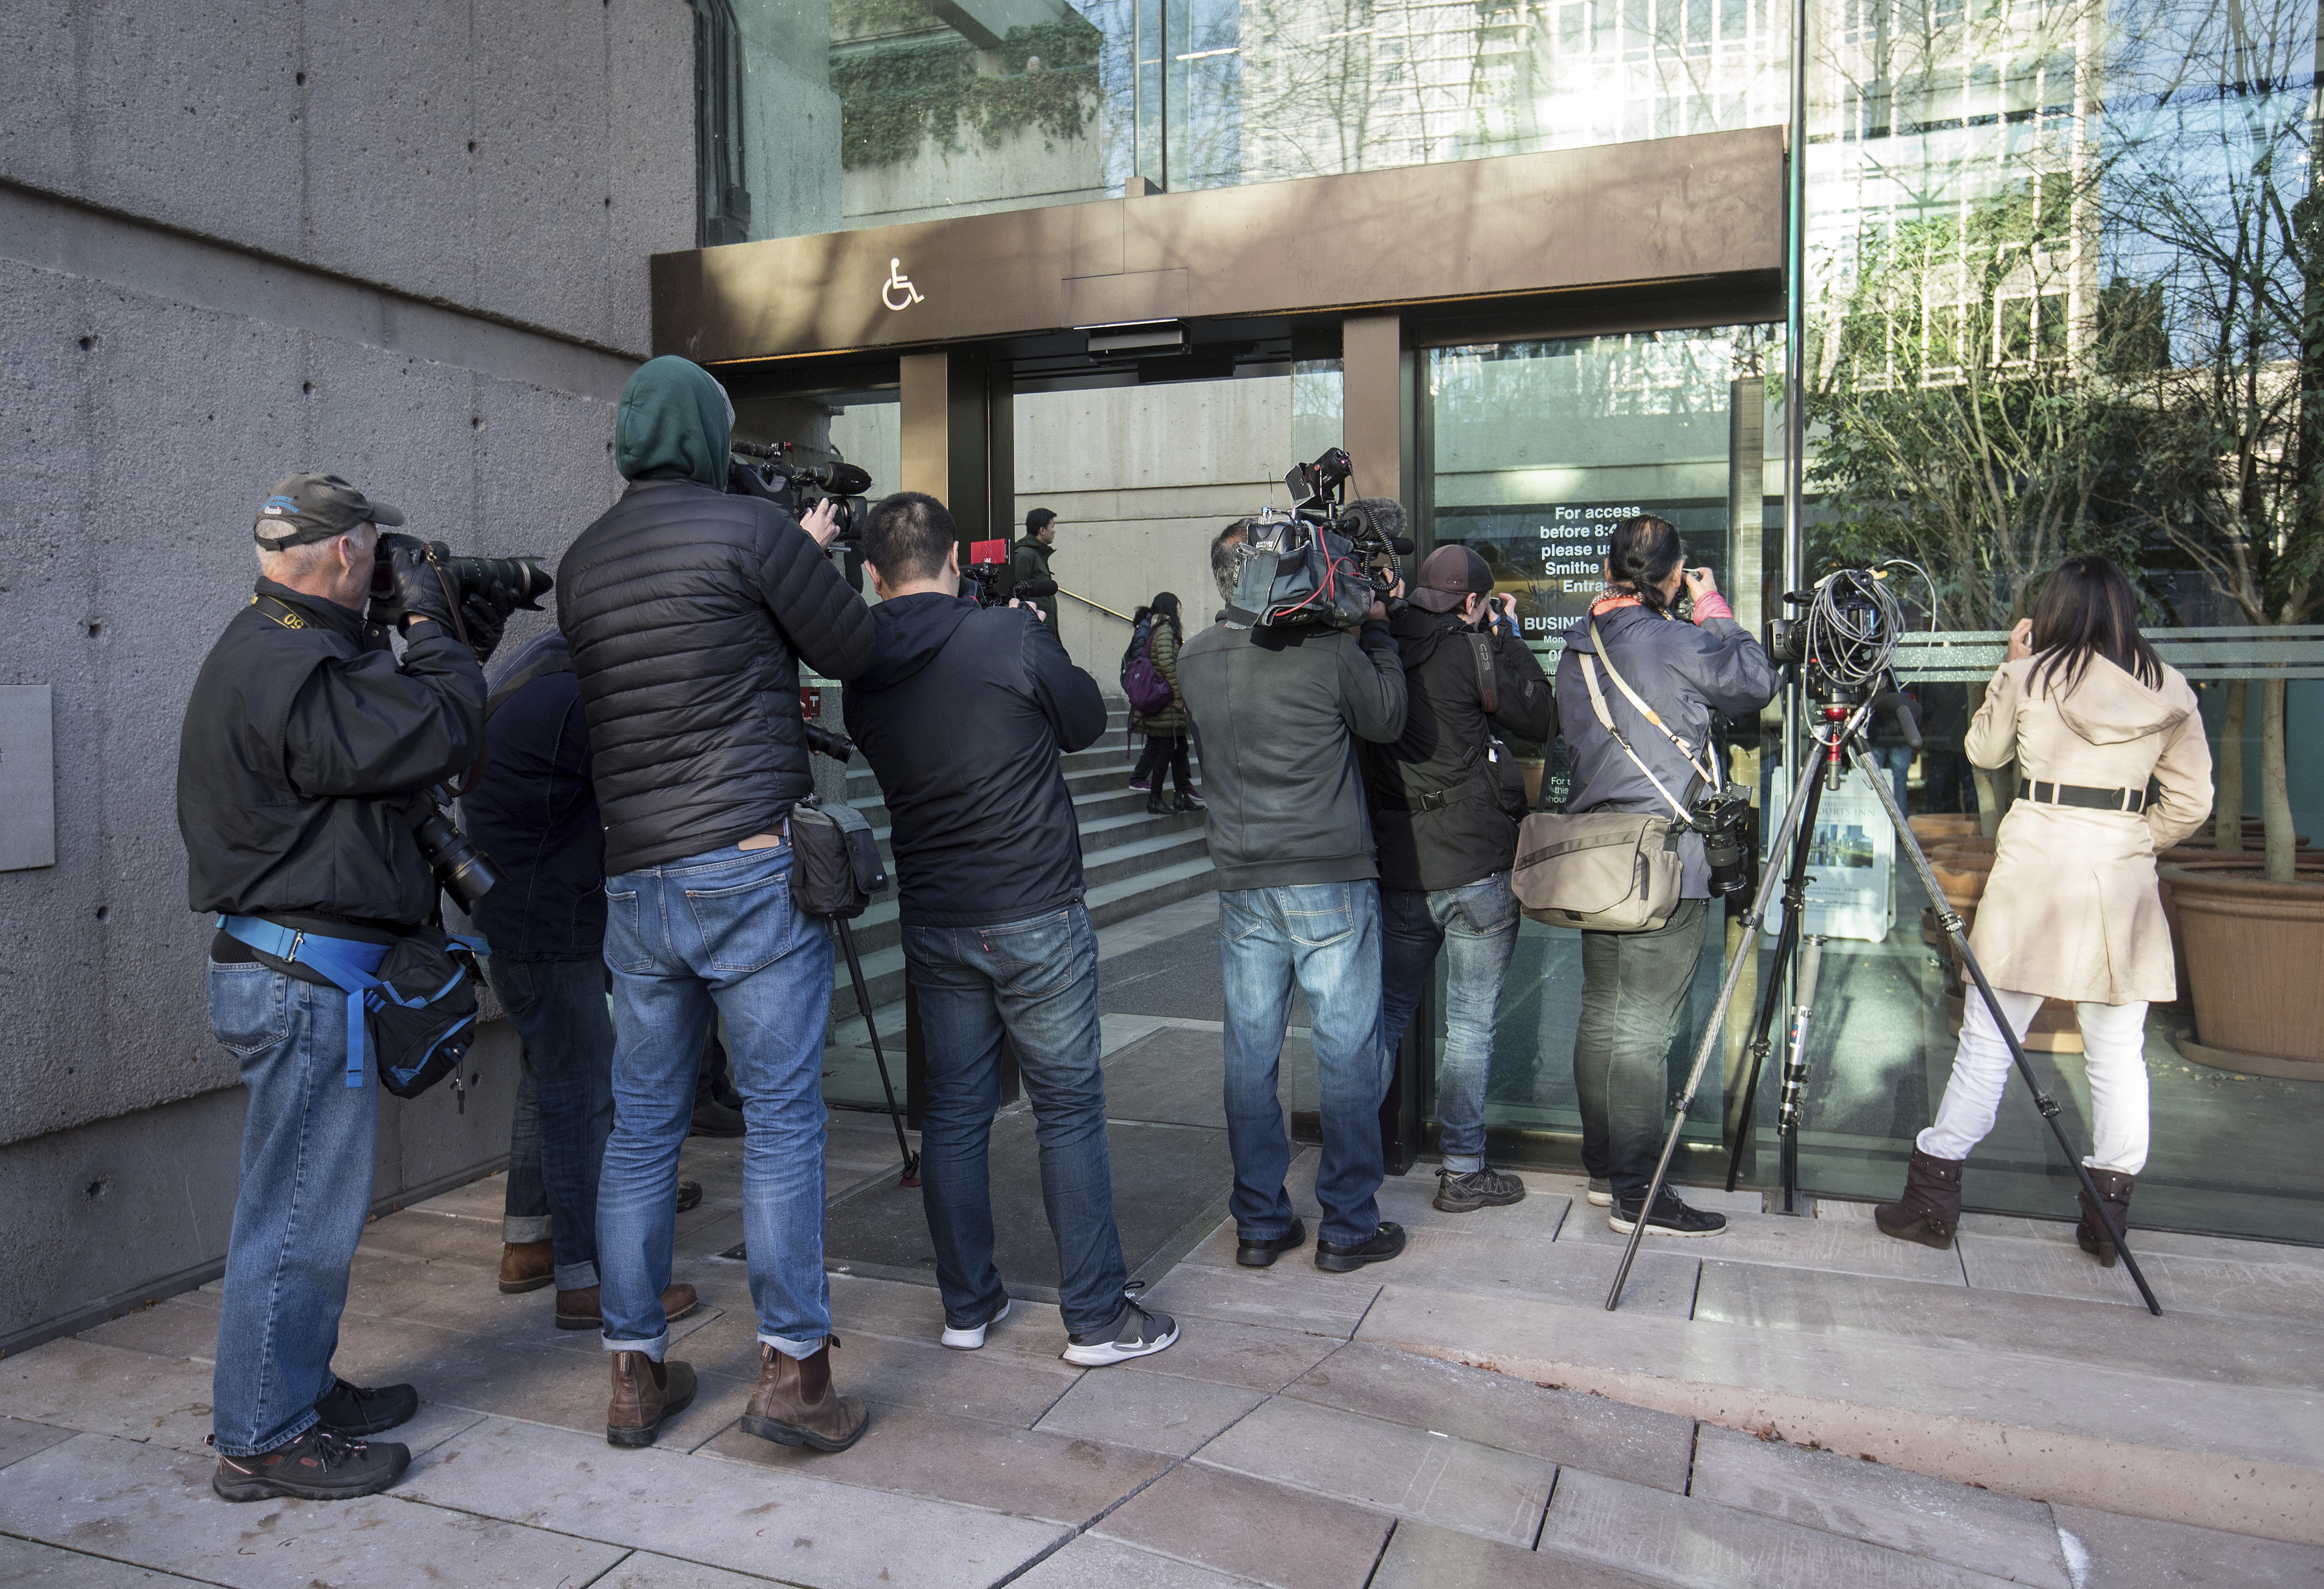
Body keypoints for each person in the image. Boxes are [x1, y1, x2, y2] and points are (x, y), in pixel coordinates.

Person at [557, 356, 878, 1453]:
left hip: (637, 882)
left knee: (641, 1130)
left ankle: (633, 1371)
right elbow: (853, 647)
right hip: (745, 866)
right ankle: (793, 1374)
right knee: (783, 1119)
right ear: (705, 436)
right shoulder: (750, 536)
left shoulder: (583, 561)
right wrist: (810, 555)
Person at [179, 472, 514, 1501]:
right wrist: (425, 616)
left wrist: (443, 630)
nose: (384, 571)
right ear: (348, 551)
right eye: (379, 555)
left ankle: (294, 1386)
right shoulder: (291, 662)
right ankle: (263, 1434)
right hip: (299, 980)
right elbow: (449, 725)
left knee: (302, 1206)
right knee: (296, 1215)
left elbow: (395, 738)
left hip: (293, 972)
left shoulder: (286, 649)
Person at [842, 492, 1179, 1367]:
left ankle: (967, 1307)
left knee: (953, 1112)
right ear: (955, 560)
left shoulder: (865, 665)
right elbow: (1088, 722)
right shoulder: (1008, 635)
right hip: (1033, 907)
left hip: (938, 913)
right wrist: (1036, 633)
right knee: (1067, 1107)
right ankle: (1098, 1320)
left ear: (875, 577)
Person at [1875, 555, 2211, 1258]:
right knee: (2118, 1054)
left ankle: (1933, 1197)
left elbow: (1983, 749)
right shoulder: (2169, 689)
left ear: (2054, 611)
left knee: (1988, 1041)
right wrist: (2132, 837)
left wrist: (2011, 663)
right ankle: (2107, 1219)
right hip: (2119, 873)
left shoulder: (2033, 676)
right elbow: (2193, 801)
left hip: (2036, 865)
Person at [1178, 522, 1409, 1274]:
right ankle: (1347, 1225)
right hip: (1329, 873)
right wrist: (1376, 631)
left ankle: (1260, 1222)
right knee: (1345, 1052)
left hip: (1244, 878)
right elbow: (1388, 719)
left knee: (1251, 1054)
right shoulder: (1330, 648)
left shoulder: (1195, 657)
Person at [461, 629, 703, 1329]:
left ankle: (529, 1245)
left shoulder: (536, 674)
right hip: (548, 929)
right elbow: (647, 799)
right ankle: (595, 1280)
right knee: (583, 1095)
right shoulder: (576, 698)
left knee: (549, 1080)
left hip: (511, 921)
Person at [1556, 516, 1775, 1239]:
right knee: (1645, 1032)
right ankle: (1637, 1192)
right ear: (1674, 574)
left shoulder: (1578, 644)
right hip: (1667, 862)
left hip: (1599, 856)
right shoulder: (1678, 639)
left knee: (1603, 1016)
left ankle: (1602, 1172)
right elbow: (1755, 684)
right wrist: (1714, 609)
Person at [1365, 546, 1556, 1213]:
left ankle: (1356, 1164)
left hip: (1401, 867)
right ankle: (1464, 1171)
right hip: (1475, 866)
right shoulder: (1475, 648)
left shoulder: (1379, 642)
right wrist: (1507, 637)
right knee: (1470, 1025)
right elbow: (1540, 717)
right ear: (1474, 603)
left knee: (1386, 1016)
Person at [1126, 593, 1201, 813]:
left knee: (1179, 750)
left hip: (1166, 700)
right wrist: (1178, 695)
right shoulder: (1166, 631)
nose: (1180, 611)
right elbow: (1168, 664)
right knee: (1167, 749)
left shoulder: (1159, 630)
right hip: (1167, 702)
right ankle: (1155, 799)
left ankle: (1181, 796)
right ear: (1171, 608)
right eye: (1179, 607)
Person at [1011, 508, 1063, 645]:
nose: (1054, 531)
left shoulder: (1037, 554)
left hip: (1044, 627)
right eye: (1052, 526)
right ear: (1042, 530)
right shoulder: (1025, 555)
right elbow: (1014, 592)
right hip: (1035, 629)